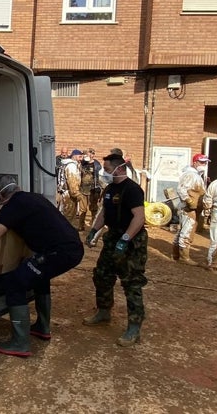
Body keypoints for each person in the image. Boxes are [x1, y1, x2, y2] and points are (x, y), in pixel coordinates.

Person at [0, 175, 84, 357]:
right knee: (40, 277)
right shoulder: (33, 198)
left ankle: (20, 343)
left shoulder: (13, 206)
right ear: (17, 187)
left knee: (15, 283)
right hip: (73, 248)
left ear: (1, 196)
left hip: (58, 253)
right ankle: (42, 327)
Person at [83, 154, 148, 347]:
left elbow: (139, 217)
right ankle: (104, 311)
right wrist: (94, 230)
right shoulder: (110, 188)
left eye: (107, 169)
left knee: (132, 283)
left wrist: (125, 240)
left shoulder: (133, 190)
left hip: (132, 241)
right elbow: (104, 212)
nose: (104, 173)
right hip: (112, 238)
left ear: (119, 169)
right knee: (102, 275)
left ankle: (134, 328)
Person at [172, 153, 209, 265]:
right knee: (187, 231)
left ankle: (176, 254)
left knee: (182, 230)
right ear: (195, 162)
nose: (204, 164)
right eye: (202, 162)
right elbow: (181, 189)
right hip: (188, 208)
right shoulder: (191, 175)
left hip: (189, 207)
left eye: (205, 162)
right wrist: (189, 201)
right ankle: (184, 257)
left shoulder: (195, 175)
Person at [56, 149, 83, 229]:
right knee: (69, 217)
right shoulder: (71, 166)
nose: (81, 159)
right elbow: (72, 182)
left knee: (64, 215)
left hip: (64, 193)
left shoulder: (65, 164)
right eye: (79, 156)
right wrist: (77, 194)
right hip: (69, 195)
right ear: (74, 156)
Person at [79, 148, 103, 231]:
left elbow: (100, 177)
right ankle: (81, 226)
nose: (91, 155)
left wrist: (98, 188)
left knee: (93, 208)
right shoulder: (83, 163)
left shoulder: (97, 164)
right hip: (83, 189)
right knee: (82, 209)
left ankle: (94, 227)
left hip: (93, 190)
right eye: (89, 154)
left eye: (92, 154)